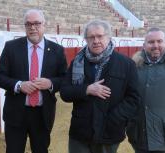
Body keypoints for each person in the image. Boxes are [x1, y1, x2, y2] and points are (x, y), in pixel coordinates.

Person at [59, 19, 140, 153]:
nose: (96, 40)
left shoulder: (126, 64)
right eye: (91, 37)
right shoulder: (77, 62)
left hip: (110, 131)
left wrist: (114, 118)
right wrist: (87, 89)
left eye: (100, 36)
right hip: (81, 132)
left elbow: (134, 99)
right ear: (86, 39)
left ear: (108, 37)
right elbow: (65, 93)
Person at [0, 9, 67, 153]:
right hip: (15, 113)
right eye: (28, 24)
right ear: (25, 26)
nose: (32, 27)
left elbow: (64, 78)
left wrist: (50, 83)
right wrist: (19, 85)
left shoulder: (57, 50)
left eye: (37, 23)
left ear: (44, 25)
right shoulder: (11, 47)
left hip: (42, 114)